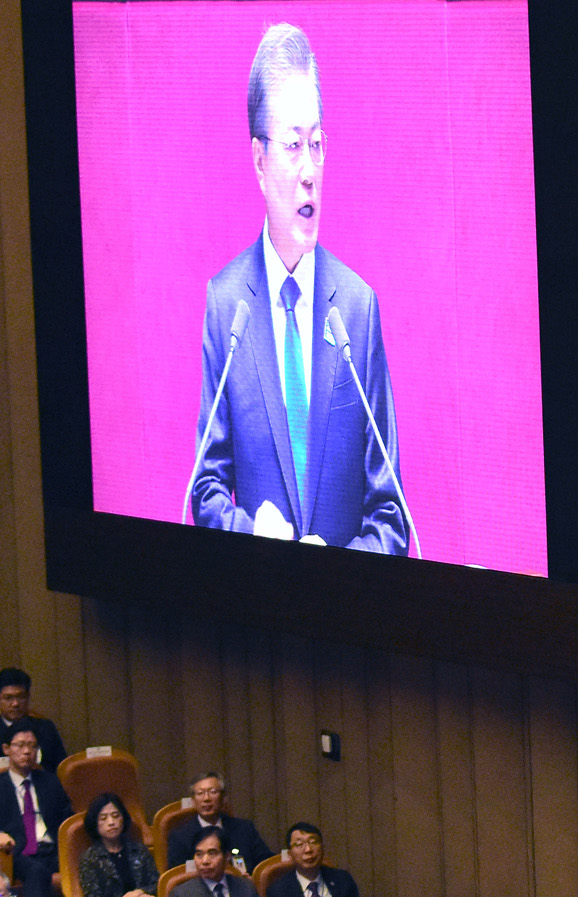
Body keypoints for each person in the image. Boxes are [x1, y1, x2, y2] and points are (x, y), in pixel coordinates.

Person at [191, 23, 408, 554]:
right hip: (253, 625)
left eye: (317, 144)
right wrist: (257, 539)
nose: (310, 169)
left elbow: (392, 513)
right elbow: (206, 488)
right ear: (260, 162)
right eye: (293, 146)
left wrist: (333, 570)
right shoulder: (227, 307)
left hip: (350, 621)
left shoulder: (356, 308)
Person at [0, 729, 71, 897]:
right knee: (37, 871)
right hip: (19, 853)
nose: (27, 751)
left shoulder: (50, 782)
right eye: (20, 745)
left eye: (32, 746)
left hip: (53, 850)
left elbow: (67, 817)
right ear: (6, 749)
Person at [74, 791, 161, 897]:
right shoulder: (90, 858)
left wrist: (140, 893)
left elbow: (157, 883)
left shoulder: (139, 849)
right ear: (95, 823)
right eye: (104, 818)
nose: (111, 822)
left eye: (115, 816)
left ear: (123, 819)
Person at [166, 771, 273, 872]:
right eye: (200, 793)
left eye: (213, 792)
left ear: (223, 798)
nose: (206, 798)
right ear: (193, 801)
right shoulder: (180, 837)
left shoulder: (244, 829)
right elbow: (178, 877)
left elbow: (266, 863)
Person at [264, 821, 366, 897]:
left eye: (313, 842)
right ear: (290, 855)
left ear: (322, 848)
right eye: (299, 845)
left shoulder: (342, 880)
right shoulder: (278, 891)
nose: (308, 850)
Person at [0, 667, 68, 765]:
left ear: (28, 697)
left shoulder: (46, 728)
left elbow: (61, 768)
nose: (15, 703)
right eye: (8, 698)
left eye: (21, 697)